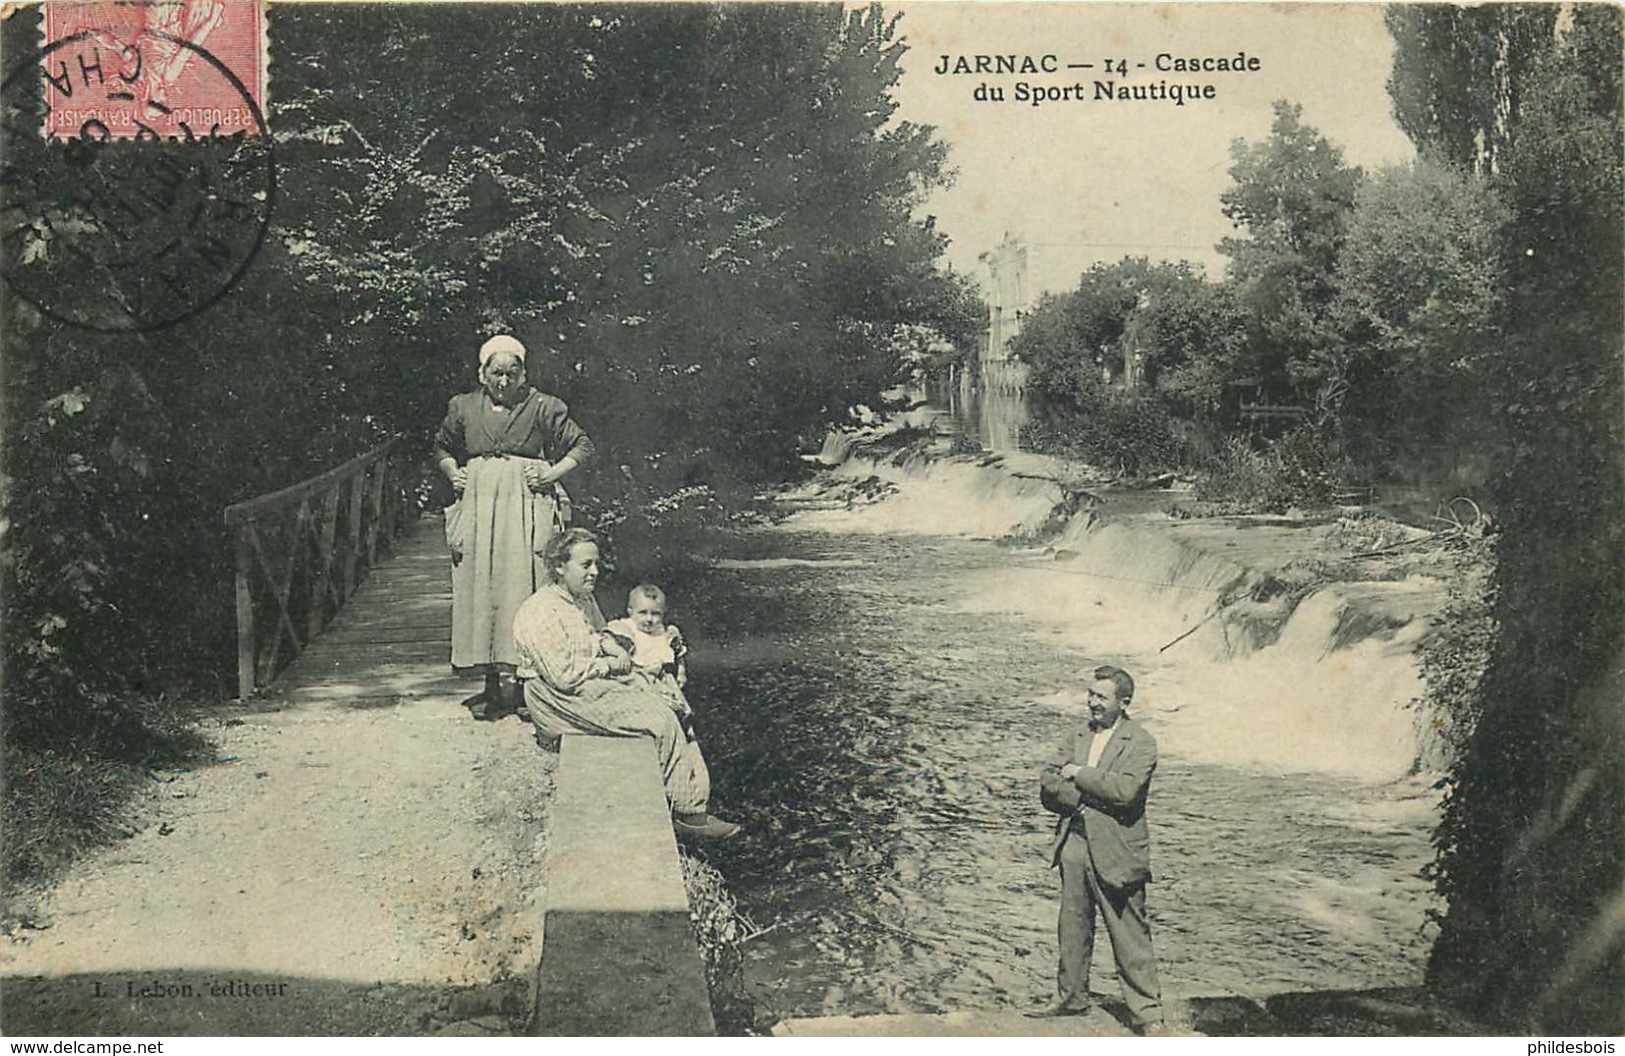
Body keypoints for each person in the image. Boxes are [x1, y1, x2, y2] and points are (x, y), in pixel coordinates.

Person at [512, 528, 740, 840]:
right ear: (558, 567)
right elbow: (562, 676)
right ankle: (687, 813)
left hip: (584, 682)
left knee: (671, 701)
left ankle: (693, 800)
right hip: (556, 698)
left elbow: (598, 636)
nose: (595, 572)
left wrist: (618, 650)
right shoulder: (540, 611)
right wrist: (608, 664)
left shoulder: (581, 599)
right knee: (658, 718)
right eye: (586, 565)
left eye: (596, 564)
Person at [433, 334, 594, 719]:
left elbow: (582, 445)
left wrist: (551, 473)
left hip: (525, 503)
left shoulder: (542, 406)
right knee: (482, 584)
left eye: (511, 373)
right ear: (482, 373)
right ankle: (490, 685)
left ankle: (526, 687)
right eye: (496, 373)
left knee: (526, 584)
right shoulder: (463, 407)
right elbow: (441, 446)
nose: (503, 381)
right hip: (478, 505)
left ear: (523, 374)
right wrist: (453, 471)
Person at [1034, 665, 1166, 1035]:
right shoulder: (1076, 735)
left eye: (1101, 697)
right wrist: (1085, 791)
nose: (1092, 702)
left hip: (1118, 848)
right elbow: (1047, 781)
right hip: (1074, 840)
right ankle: (1071, 997)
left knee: (1129, 932)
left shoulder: (1141, 742)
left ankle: (1147, 1015)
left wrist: (1078, 773)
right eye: (1090, 694)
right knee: (1072, 926)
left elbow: (1126, 793)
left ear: (1123, 703)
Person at [603, 583, 694, 739]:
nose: (649, 619)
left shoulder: (665, 632)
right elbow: (605, 641)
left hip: (660, 678)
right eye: (643, 613)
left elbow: (678, 654)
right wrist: (619, 653)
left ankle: (680, 723)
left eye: (656, 614)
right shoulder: (626, 627)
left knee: (675, 700)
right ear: (630, 611)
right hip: (636, 675)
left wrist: (681, 672)